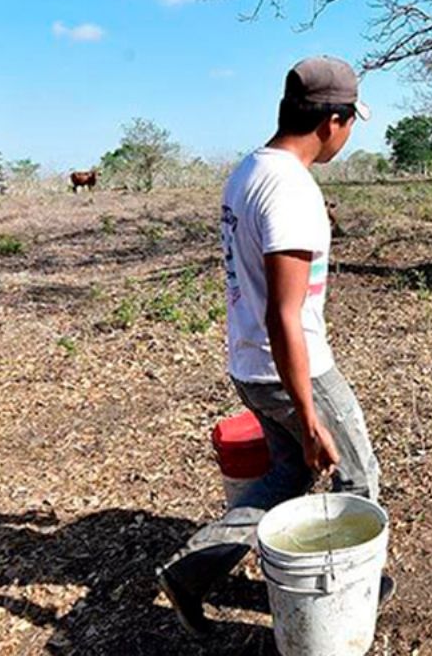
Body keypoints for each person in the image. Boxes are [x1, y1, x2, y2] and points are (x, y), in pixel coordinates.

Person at [156, 56, 389, 635]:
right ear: (332, 121)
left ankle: (191, 570)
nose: (349, 135)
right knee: (357, 476)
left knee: (287, 475)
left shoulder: (249, 170)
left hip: (250, 365)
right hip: (293, 369)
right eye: (350, 123)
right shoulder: (291, 191)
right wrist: (308, 417)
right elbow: (284, 315)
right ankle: (341, 593)